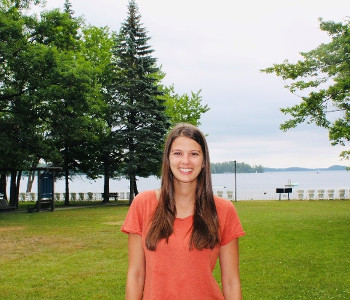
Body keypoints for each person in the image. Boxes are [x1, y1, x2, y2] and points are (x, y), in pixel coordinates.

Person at [121, 123, 245, 299]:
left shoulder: (224, 210)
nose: (185, 161)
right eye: (178, 153)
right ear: (168, 159)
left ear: (203, 161)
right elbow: (136, 274)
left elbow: (231, 281)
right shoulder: (143, 204)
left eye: (194, 154)